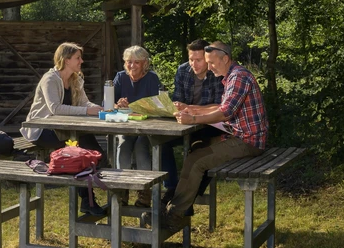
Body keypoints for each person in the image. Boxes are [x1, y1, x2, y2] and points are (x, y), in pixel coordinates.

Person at [144, 41, 269, 233]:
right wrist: (192, 108)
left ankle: (174, 216)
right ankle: (178, 205)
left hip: (248, 141)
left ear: (225, 58)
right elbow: (220, 107)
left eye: (211, 63)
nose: (210, 67)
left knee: (196, 160)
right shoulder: (232, 75)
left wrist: (193, 117)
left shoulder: (239, 77)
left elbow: (225, 112)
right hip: (238, 135)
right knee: (196, 146)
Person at [20, 42, 109, 216]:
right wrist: (86, 111)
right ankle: (92, 193)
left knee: (83, 147)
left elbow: (85, 103)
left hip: (66, 130)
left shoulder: (76, 78)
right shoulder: (50, 79)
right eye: (78, 58)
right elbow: (55, 108)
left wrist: (99, 108)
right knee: (82, 150)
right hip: (42, 129)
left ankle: (90, 195)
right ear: (66, 60)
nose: (81, 61)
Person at [158, 39, 224, 206]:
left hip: (210, 125)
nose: (194, 64)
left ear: (208, 58)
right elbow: (178, 98)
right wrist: (178, 105)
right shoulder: (183, 70)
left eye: (198, 60)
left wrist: (191, 108)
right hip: (186, 123)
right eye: (191, 59)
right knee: (160, 142)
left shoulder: (216, 72)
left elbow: (220, 106)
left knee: (200, 150)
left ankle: (185, 198)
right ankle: (172, 188)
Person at [112, 45, 166, 207]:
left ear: (144, 64)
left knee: (141, 147)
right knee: (123, 145)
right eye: (129, 62)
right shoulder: (120, 77)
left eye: (137, 62)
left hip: (147, 126)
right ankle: (123, 188)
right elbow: (108, 104)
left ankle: (145, 192)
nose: (132, 66)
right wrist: (117, 104)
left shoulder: (151, 78)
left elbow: (159, 106)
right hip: (126, 125)